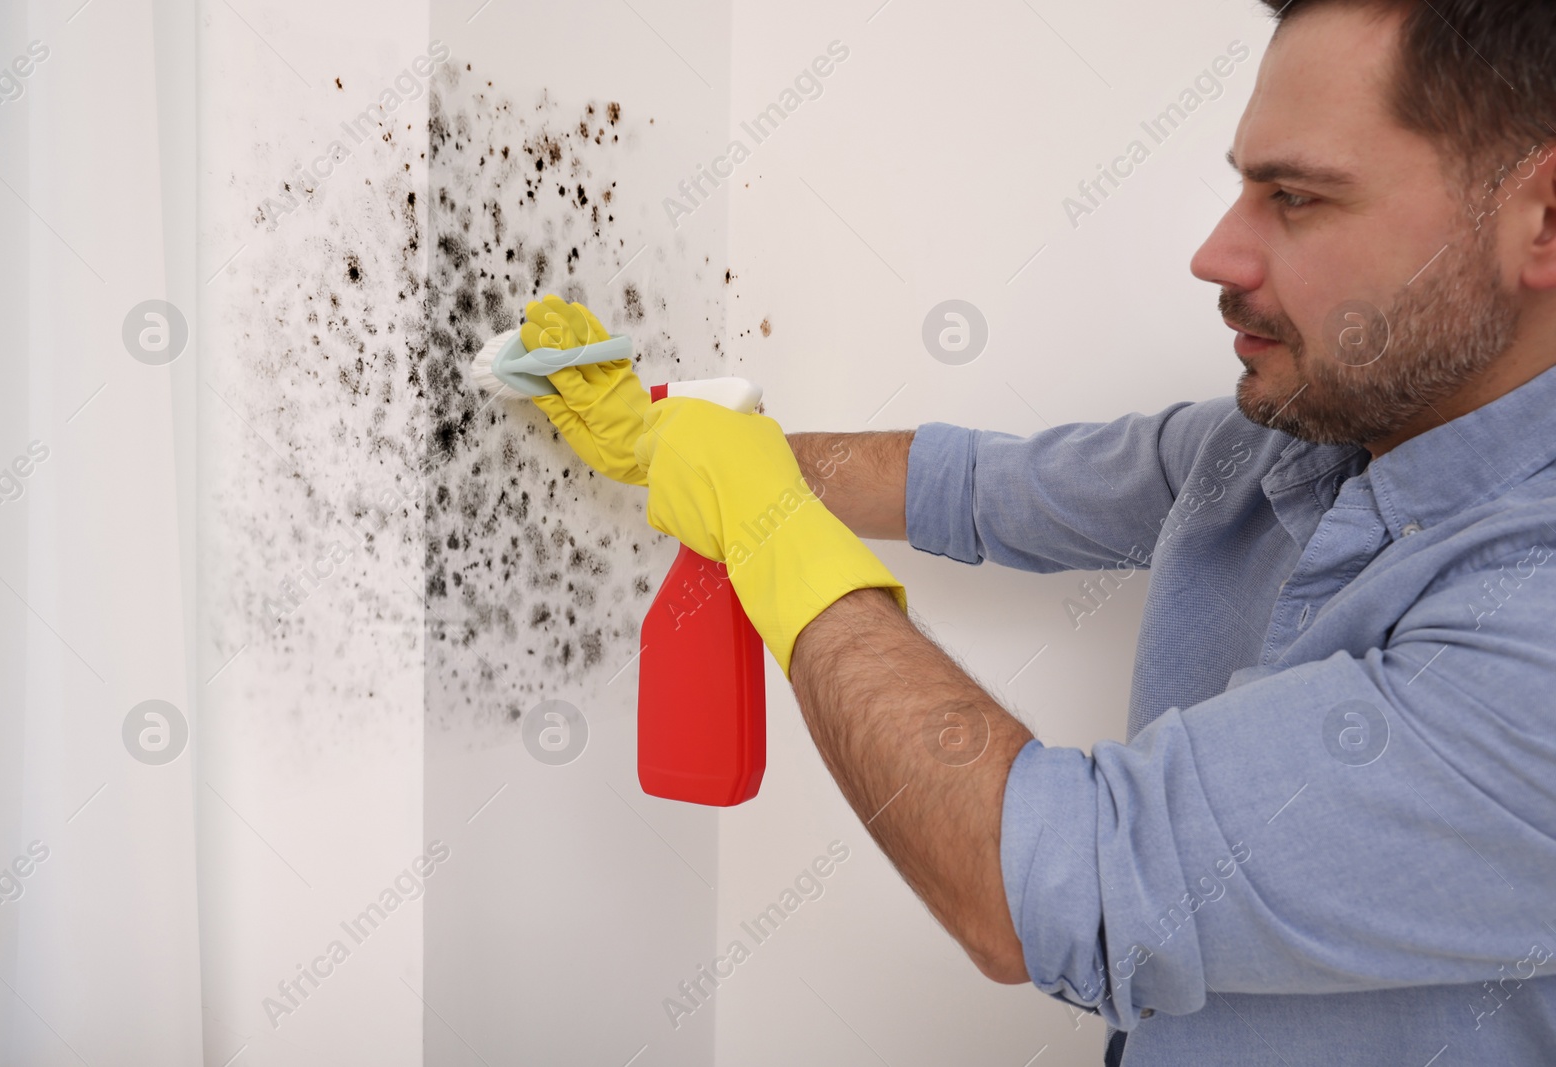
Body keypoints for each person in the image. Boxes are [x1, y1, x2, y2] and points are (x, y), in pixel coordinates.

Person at [519, 0, 1556, 1061]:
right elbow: (978, 488)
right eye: (1245, 182)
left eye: (1295, 196)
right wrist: (665, 442)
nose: (1215, 252)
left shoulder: (1531, 633)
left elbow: (1060, 886)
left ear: (1543, 219)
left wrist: (765, 524)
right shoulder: (1293, 438)